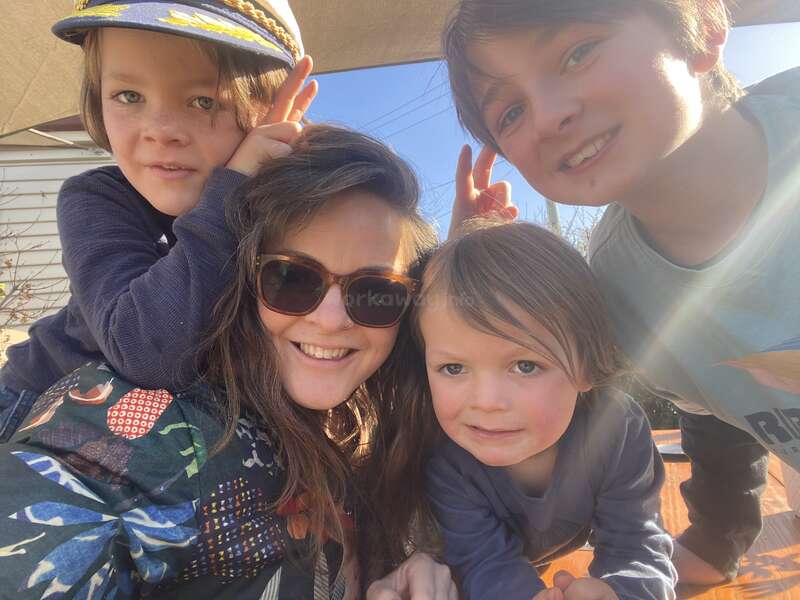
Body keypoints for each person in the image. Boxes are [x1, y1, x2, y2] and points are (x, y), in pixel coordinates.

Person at [0, 125, 456, 599]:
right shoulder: (156, 428)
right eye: (292, 278)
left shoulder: (368, 427)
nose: (331, 319)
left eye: (375, 292)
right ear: (243, 281)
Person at [441, 0, 800, 585]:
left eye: (578, 53)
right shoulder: (616, 290)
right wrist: (718, 536)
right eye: (509, 113)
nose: (549, 115)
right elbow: (712, 401)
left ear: (704, 30)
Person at [0, 0, 317, 441]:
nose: (161, 128)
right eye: (128, 96)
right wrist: (232, 188)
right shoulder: (98, 197)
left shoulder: (296, 216)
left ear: (275, 113)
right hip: (35, 407)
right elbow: (147, 350)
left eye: (204, 100)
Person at [379, 220, 675, 600]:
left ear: (587, 364)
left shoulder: (616, 428)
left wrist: (620, 593)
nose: (486, 401)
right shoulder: (445, 458)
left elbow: (637, 543)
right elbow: (483, 563)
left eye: (525, 366)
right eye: (453, 368)